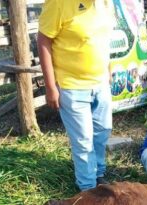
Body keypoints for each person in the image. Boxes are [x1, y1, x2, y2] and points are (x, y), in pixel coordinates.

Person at [37, 0, 115, 191]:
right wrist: (50, 87)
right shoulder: (58, 3)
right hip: (71, 85)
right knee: (83, 141)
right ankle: (88, 189)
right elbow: (43, 40)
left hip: (101, 83)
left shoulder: (106, 3)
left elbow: (104, 37)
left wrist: (108, 68)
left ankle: (99, 174)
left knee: (102, 132)